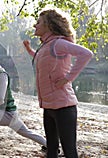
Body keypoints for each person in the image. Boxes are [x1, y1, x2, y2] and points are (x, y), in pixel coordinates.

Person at [23, 9, 93, 158]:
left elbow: (86, 54)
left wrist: (68, 78)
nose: (35, 25)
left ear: (48, 25)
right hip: (49, 107)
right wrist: (29, 50)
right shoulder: (46, 46)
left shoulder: (58, 43)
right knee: (51, 149)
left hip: (64, 107)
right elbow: (42, 58)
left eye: (39, 22)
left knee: (69, 152)